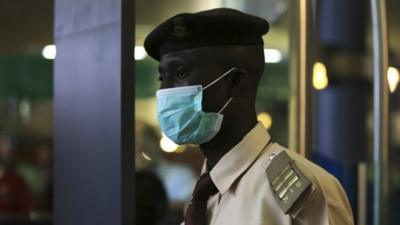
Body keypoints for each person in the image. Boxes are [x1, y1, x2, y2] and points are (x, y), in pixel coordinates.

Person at [144, 8, 354, 225]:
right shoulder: (203, 196)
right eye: (162, 77)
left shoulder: (305, 196)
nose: (165, 91)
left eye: (180, 73)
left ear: (235, 82)